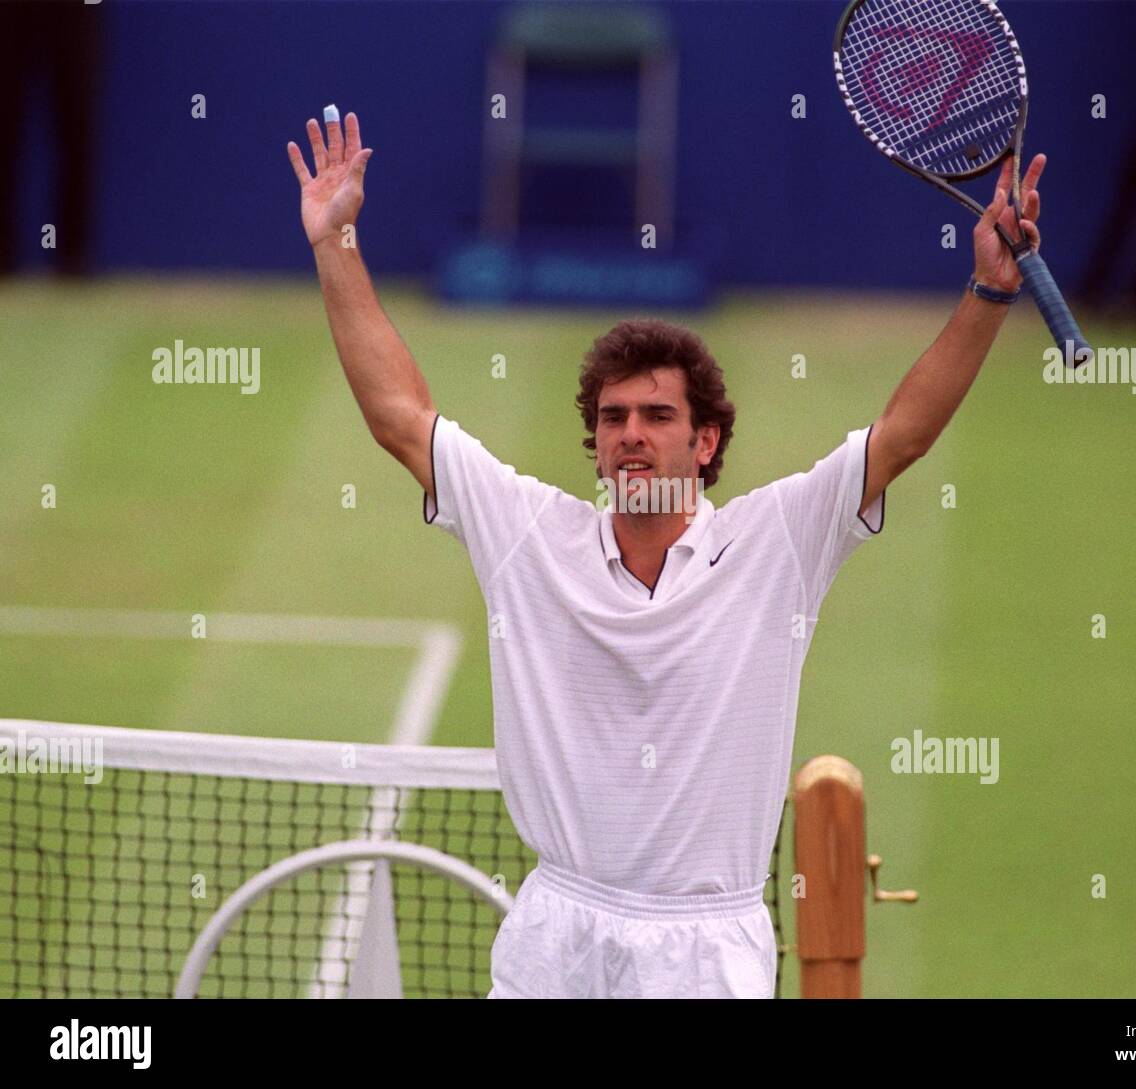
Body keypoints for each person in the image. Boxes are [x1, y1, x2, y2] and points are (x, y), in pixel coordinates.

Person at [287, 108, 1044, 999]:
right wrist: (336, 238)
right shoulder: (530, 535)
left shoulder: (779, 540)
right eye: (613, 419)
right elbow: (399, 417)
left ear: (707, 441)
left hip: (706, 955)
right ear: (595, 442)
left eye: (657, 416)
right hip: (553, 940)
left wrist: (989, 292)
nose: (632, 437)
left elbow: (905, 433)